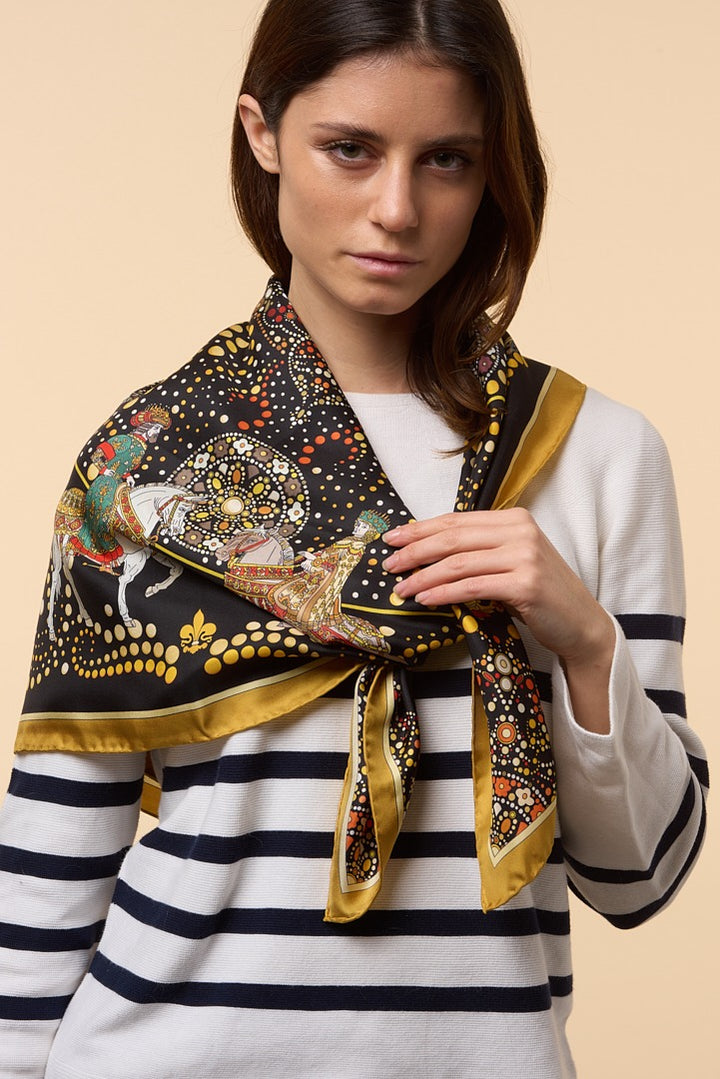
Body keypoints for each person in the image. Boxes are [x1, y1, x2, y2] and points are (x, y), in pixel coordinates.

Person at [0, 0, 708, 1076]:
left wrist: (585, 643)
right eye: (351, 149)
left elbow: (642, 877)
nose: (397, 209)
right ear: (263, 134)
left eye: (447, 160)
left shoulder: (592, 452)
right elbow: (54, 844)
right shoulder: (149, 461)